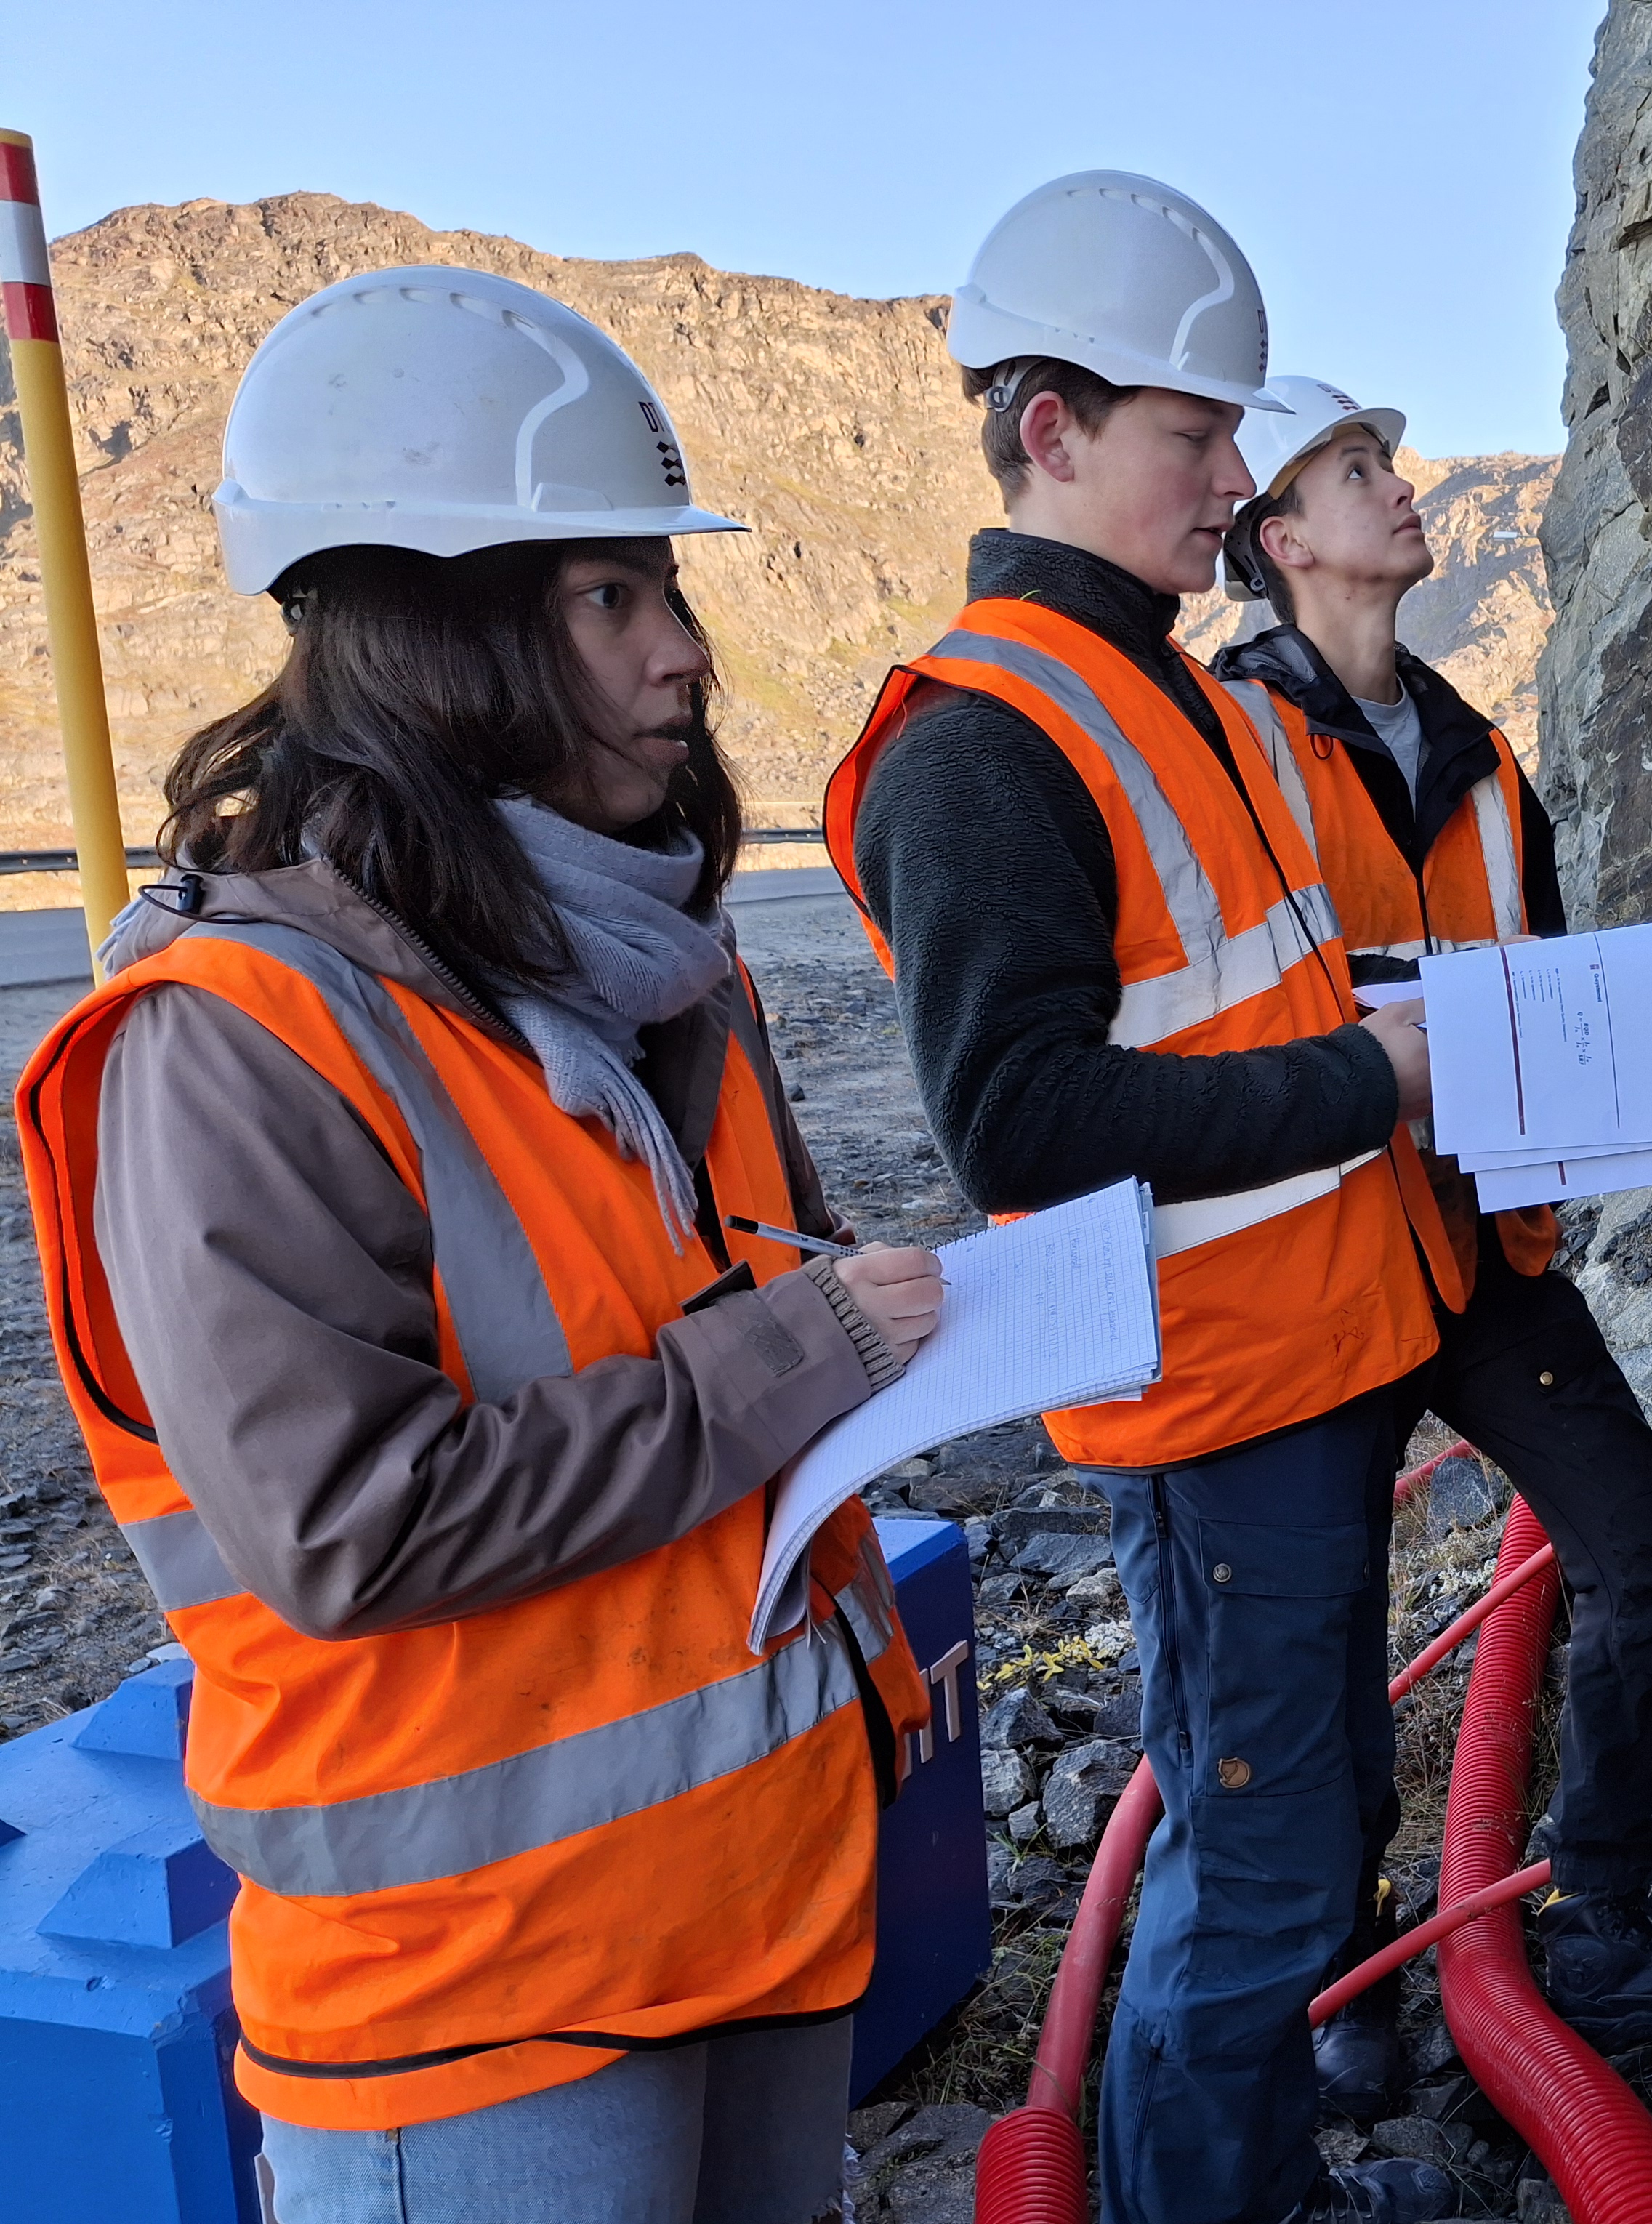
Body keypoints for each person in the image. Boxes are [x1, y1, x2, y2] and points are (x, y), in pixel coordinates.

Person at [17, 267, 946, 2224]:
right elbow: (355, 1521)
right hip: (480, 2015)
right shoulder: (227, 1043)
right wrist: (814, 1351)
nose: (684, 658)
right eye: (611, 596)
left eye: (666, 594)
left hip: (757, 1918)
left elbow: (718, 1319)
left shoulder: (661, 972)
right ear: (426, 630)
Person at [819, 178, 1455, 2224]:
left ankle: (1261, 2178)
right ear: (1051, 432)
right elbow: (1019, 1117)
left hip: (1316, 1360)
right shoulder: (983, 738)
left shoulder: (1170, 680)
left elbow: (1221, 1000)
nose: (1236, 478)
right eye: (1197, 435)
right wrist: (1372, 1075)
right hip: (1216, 1403)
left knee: (1311, 1817)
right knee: (1259, 1877)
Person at [1211, 383, 1652, 2116]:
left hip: (1483, 1253)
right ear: (1283, 543)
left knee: (1649, 1558)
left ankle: (1602, 1932)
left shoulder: (1482, 759)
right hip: (1317, 1266)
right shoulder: (1225, 753)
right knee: (1327, 1648)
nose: (1399, 491)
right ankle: (1345, 1981)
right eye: (1359, 473)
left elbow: (1543, 973)